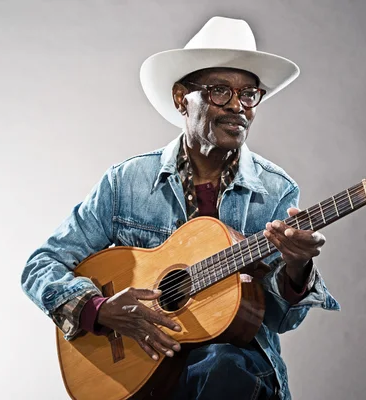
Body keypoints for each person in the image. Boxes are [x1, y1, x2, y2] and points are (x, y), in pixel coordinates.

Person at [22, 16, 340, 400]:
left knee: (224, 364)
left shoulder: (275, 191)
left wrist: (296, 267)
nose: (238, 106)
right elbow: (41, 264)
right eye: (220, 91)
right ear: (181, 98)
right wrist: (99, 309)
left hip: (232, 379)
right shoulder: (128, 181)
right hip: (142, 375)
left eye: (249, 93)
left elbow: (279, 319)